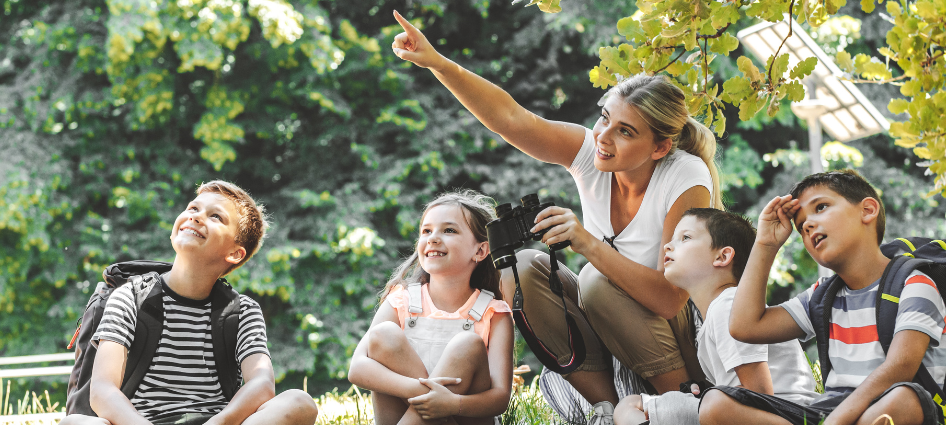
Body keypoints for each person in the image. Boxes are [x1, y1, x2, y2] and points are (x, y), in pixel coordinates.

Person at [390, 10, 724, 423]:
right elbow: (513, 120)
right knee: (523, 268)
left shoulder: (685, 175)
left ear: (659, 147)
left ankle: (676, 402)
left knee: (595, 280)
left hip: (676, 338)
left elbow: (670, 297)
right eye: (605, 118)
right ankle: (605, 410)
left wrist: (585, 242)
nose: (603, 137)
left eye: (625, 131)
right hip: (614, 328)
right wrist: (437, 62)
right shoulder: (594, 154)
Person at [705, 170, 946, 425]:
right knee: (715, 405)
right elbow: (745, 327)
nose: (808, 224)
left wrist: (836, 421)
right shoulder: (823, 297)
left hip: (886, 406)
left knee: (902, 401)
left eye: (821, 207)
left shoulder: (914, 283)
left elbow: (900, 368)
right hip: (830, 412)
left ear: (867, 210)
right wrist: (765, 244)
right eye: (800, 226)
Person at [63, 181, 317, 425]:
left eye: (215, 216)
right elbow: (102, 391)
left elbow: (261, 383)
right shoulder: (129, 296)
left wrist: (220, 423)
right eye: (193, 208)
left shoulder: (243, 312)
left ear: (234, 253)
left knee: (299, 402)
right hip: (138, 422)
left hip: (216, 422)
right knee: (74, 423)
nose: (196, 216)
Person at [611, 208, 818, 425]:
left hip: (784, 415)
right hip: (771, 411)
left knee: (631, 406)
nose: (668, 245)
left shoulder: (729, 306)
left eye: (685, 238)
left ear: (723, 256)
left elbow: (759, 394)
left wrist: (710, 398)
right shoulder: (717, 316)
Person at [348, 191, 516, 425]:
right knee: (384, 334)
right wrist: (423, 392)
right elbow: (357, 369)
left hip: (464, 418)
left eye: (449, 230)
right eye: (426, 231)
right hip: (400, 415)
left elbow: (499, 398)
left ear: (480, 251)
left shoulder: (494, 313)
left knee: (467, 343)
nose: (433, 238)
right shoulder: (401, 300)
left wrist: (450, 404)